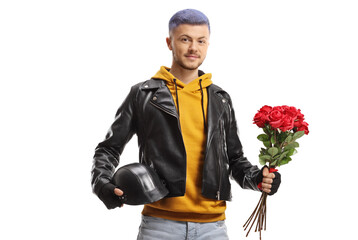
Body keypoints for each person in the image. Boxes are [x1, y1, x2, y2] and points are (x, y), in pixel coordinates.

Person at [91, 9, 281, 240]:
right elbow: (109, 147)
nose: (193, 48)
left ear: (208, 44)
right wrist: (102, 183)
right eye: (185, 39)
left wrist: (258, 178)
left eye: (201, 41)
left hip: (213, 228)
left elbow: (235, 159)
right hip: (159, 227)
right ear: (169, 43)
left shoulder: (220, 99)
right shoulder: (142, 94)